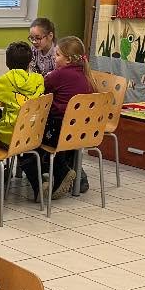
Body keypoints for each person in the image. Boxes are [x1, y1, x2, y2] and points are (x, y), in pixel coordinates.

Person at [0, 42, 46, 198]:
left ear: (7, 62)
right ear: (30, 61)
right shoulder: (39, 79)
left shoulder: (8, 79)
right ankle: (38, 185)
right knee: (22, 145)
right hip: (33, 134)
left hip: (9, 137)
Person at [42, 36, 98, 199]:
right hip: (83, 131)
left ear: (68, 59)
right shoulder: (86, 74)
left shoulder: (58, 75)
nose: (54, 57)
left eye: (58, 54)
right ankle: (78, 177)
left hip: (60, 131)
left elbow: (42, 89)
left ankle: (60, 172)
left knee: (35, 138)